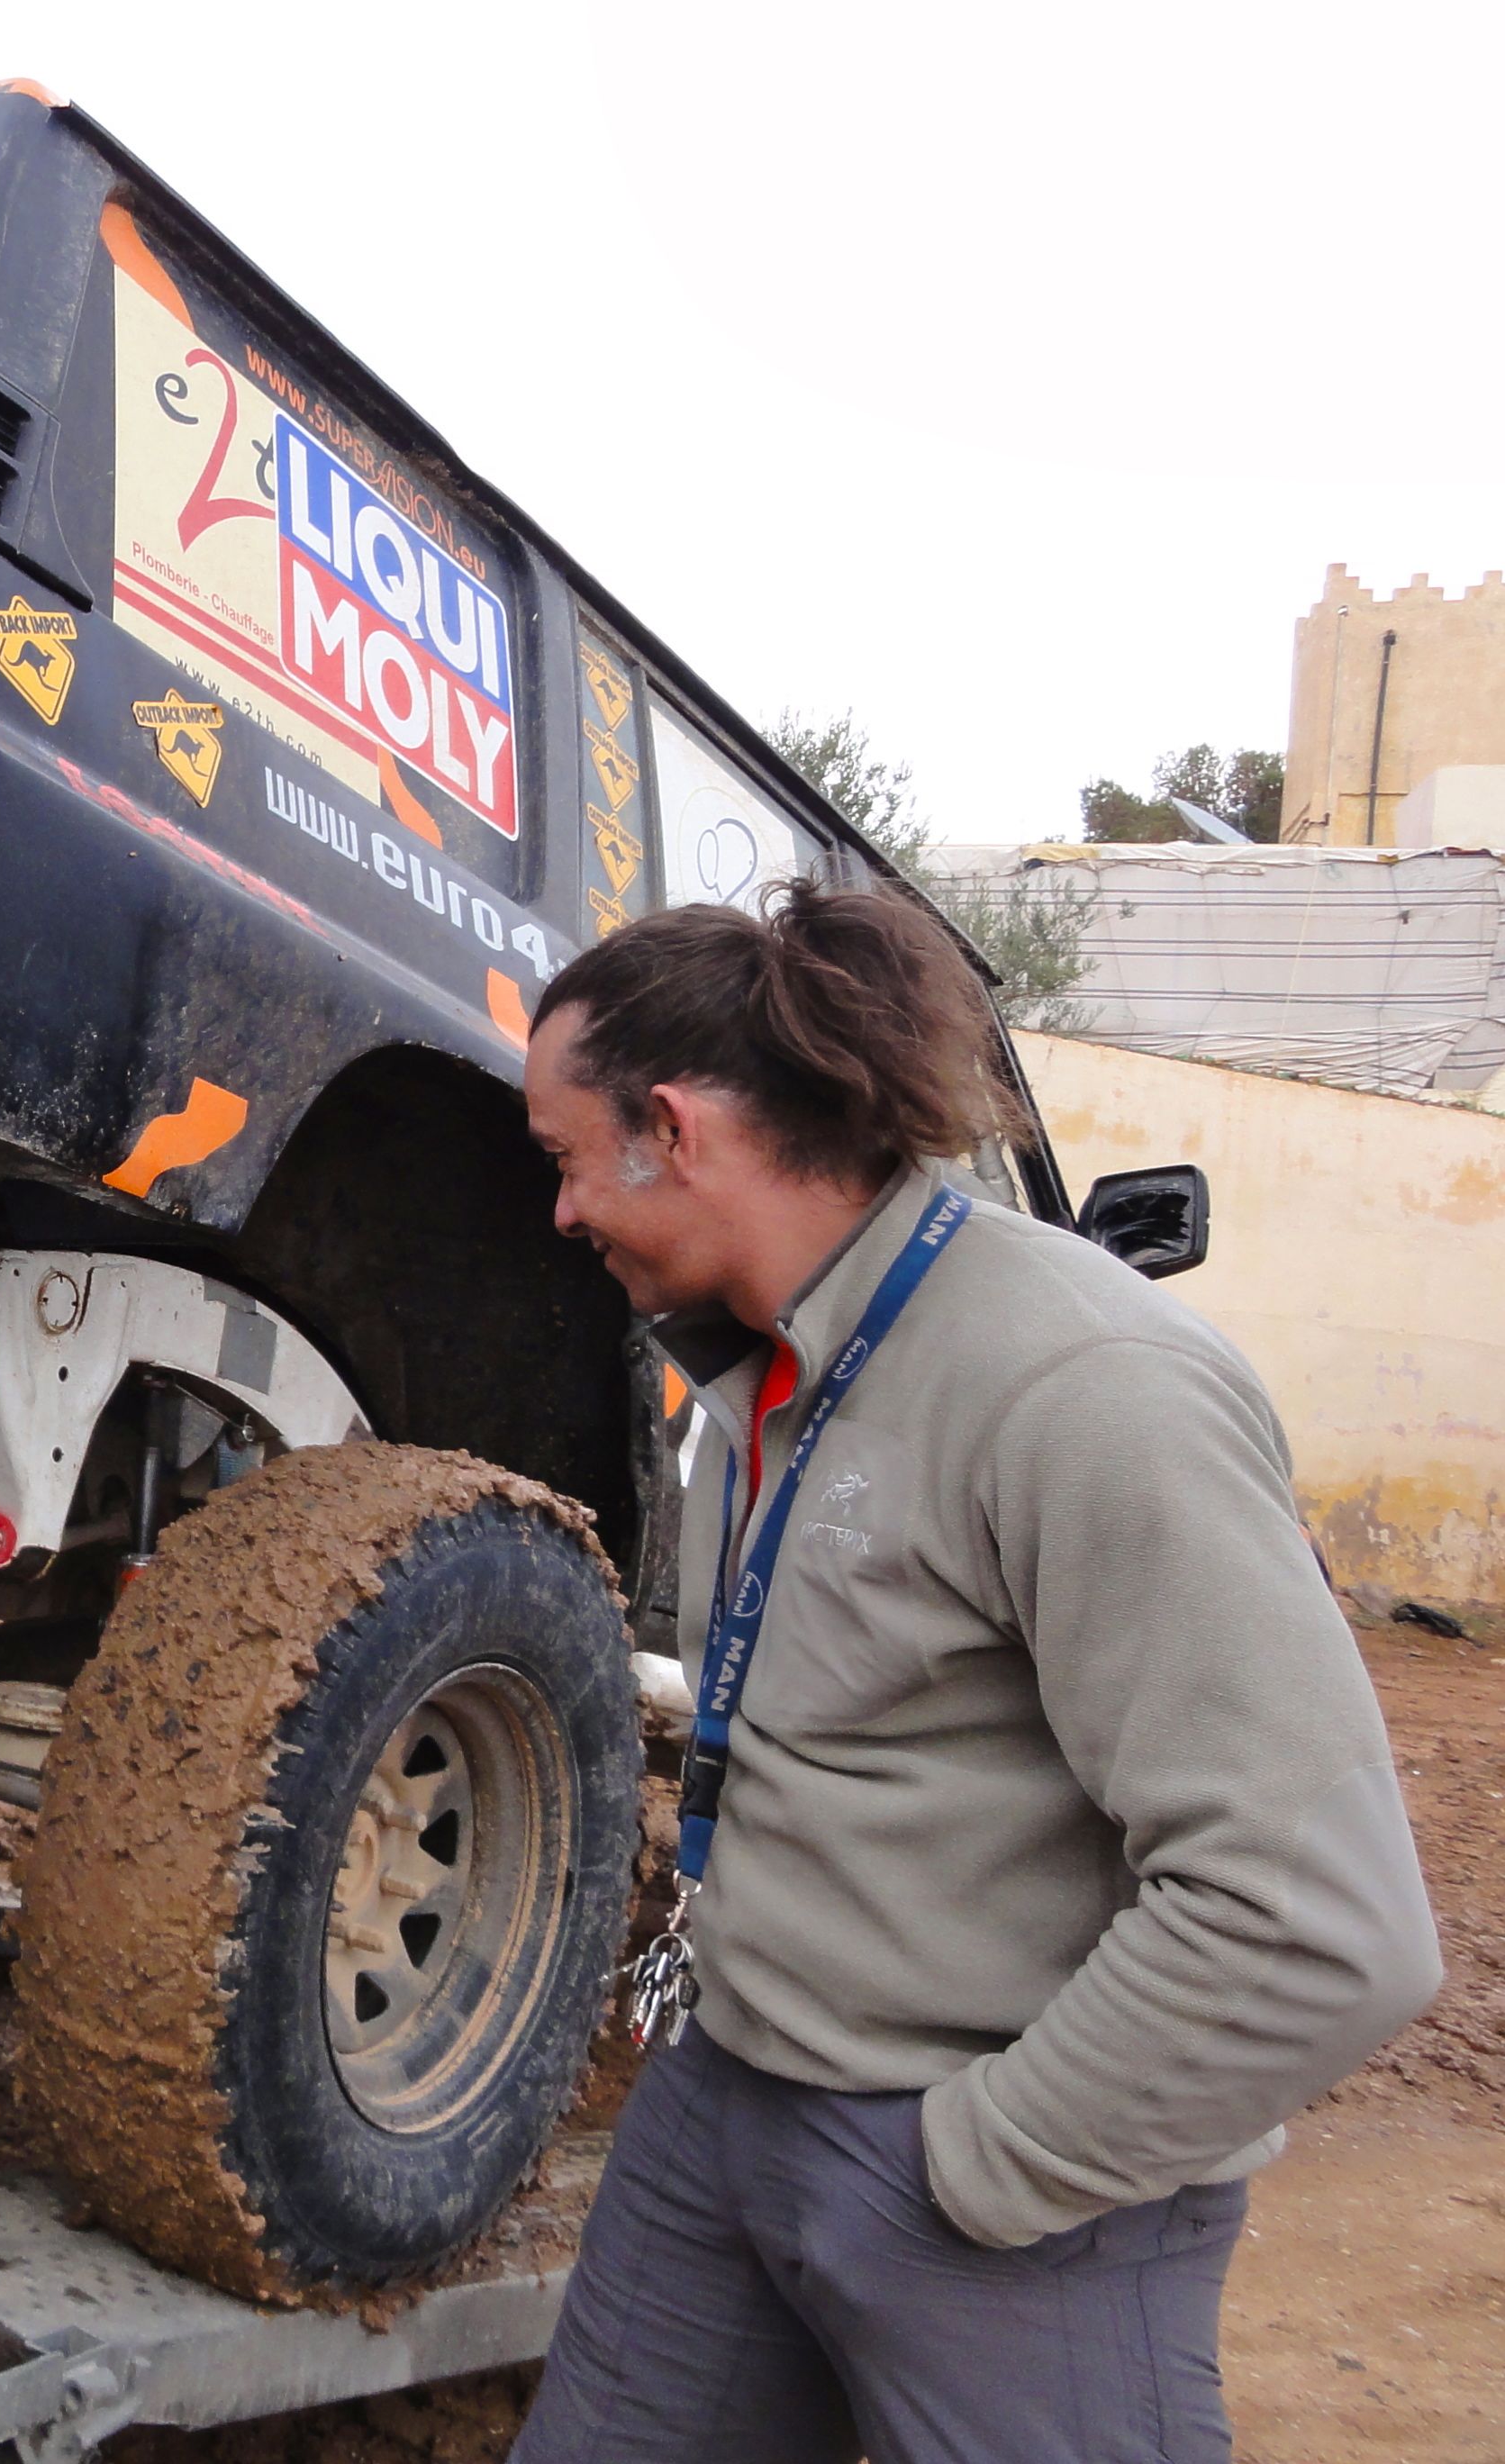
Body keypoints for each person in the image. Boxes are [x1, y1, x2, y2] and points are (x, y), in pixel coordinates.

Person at [510, 885, 1441, 2464]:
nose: (559, 1211)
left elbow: (1315, 1920)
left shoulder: (1089, 1384)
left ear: (671, 1128)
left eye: (564, 1156)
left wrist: (972, 2169)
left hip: (993, 2199)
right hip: (723, 2113)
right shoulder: (758, 1362)